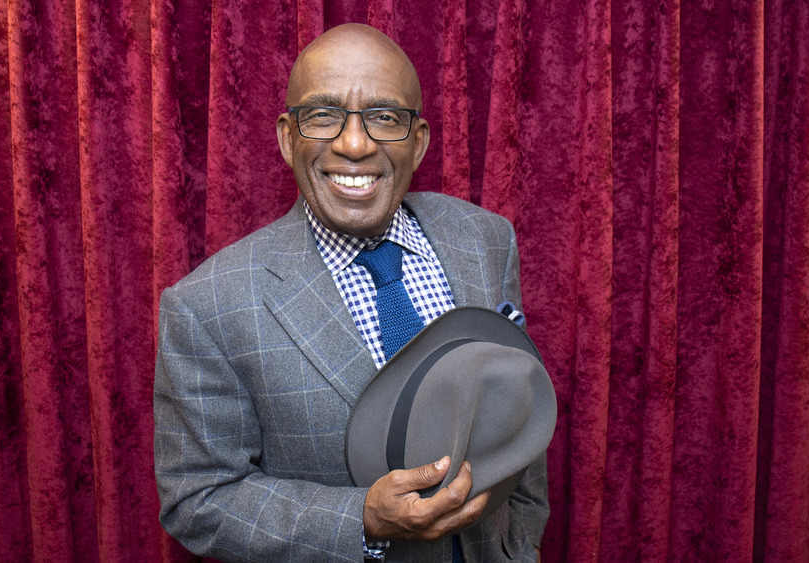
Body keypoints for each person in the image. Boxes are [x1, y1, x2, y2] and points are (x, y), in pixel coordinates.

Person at [154, 23, 549, 562]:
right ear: (288, 137)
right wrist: (361, 519)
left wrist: (519, 545)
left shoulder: (484, 239)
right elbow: (198, 500)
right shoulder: (207, 305)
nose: (355, 144)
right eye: (324, 115)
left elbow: (519, 402)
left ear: (419, 141)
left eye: (385, 117)